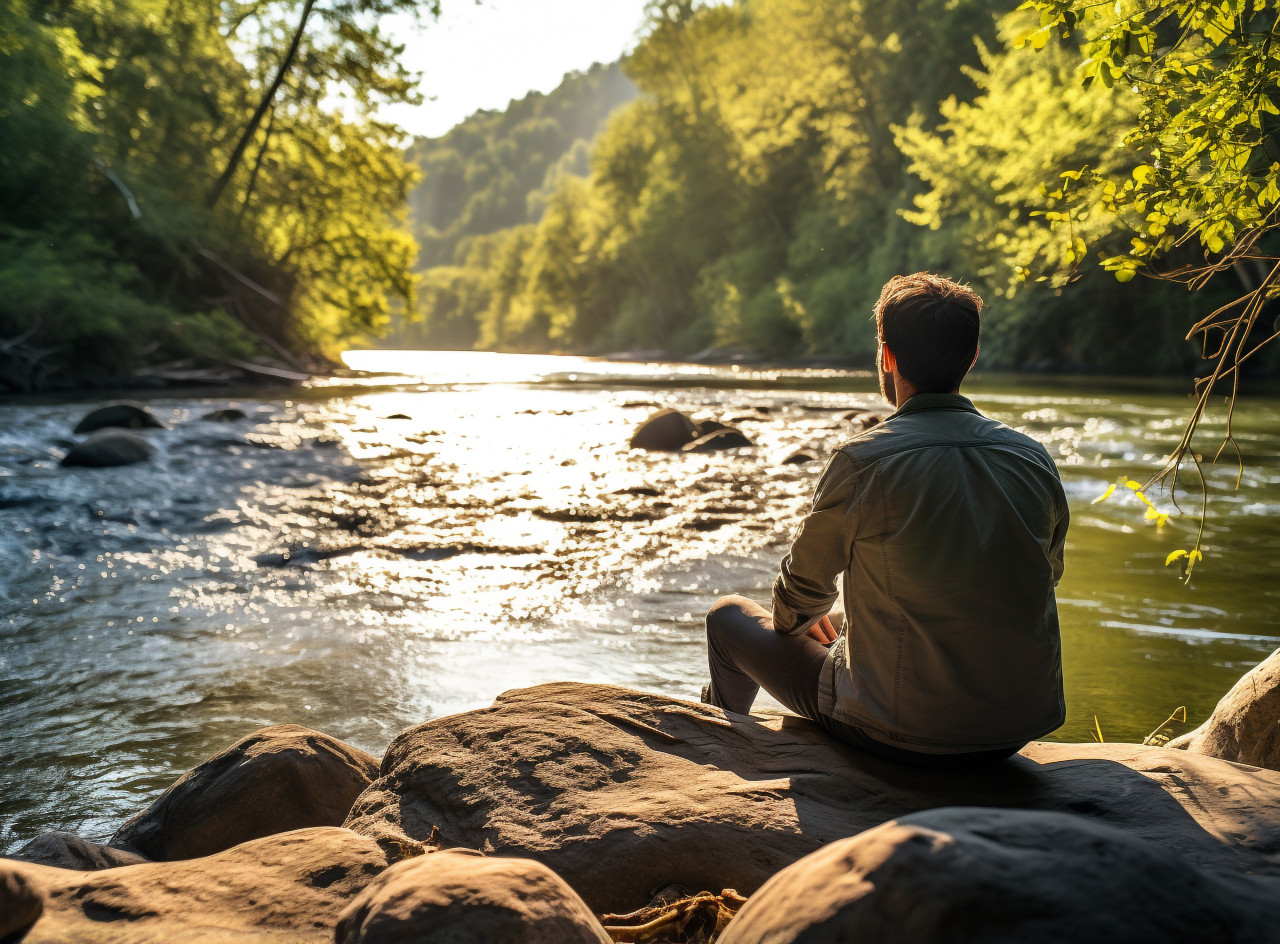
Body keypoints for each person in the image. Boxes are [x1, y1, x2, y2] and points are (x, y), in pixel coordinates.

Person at [703, 272, 1068, 766]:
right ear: (973, 356)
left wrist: (803, 619)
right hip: (1015, 728)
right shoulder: (1032, 457)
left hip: (899, 731)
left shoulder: (864, 460)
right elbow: (1044, 576)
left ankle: (717, 741)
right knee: (837, 621)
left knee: (728, 616)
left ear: (887, 355)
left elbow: (796, 603)